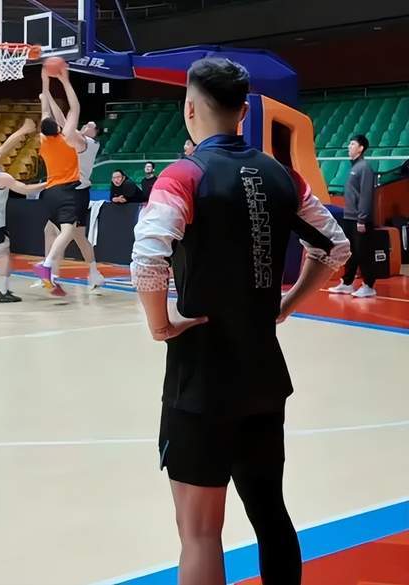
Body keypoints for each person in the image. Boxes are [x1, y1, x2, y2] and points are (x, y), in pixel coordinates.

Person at [131, 57, 350, 585]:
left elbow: (147, 256)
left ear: (189, 109)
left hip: (200, 379)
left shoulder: (184, 175)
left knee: (200, 534)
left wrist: (160, 324)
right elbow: (336, 247)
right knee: (271, 514)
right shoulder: (282, 175)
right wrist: (288, 303)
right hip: (262, 377)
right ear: (244, 112)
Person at [37, 69, 105, 290]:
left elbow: (62, 119)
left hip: (76, 191)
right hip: (64, 190)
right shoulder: (67, 137)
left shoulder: (88, 143)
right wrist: (48, 94)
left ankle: (57, 270)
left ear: (95, 133)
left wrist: (47, 91)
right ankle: (53, 274)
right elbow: (62, 119)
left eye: (92, 126)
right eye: (88, 124)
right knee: (55, 232)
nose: (88, 126)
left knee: (73, 235)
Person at [0, 121, 46, 303]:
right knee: (5, 253)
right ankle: (3, 292)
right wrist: (49, 183)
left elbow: (6, 146)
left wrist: (23, 130)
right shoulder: (1, 177)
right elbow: (25, 189)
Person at [328, 134, 377, 298]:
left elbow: (366, 195)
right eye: (349, 144)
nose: (349, 147)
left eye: (353, 144)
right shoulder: (354, 168)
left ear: (361, 148)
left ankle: (369, 285)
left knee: (363, 252)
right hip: (349, 217)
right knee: (351, 253)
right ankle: (347, 283)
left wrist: (362, 219)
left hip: (359, 219)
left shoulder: (364, 168)